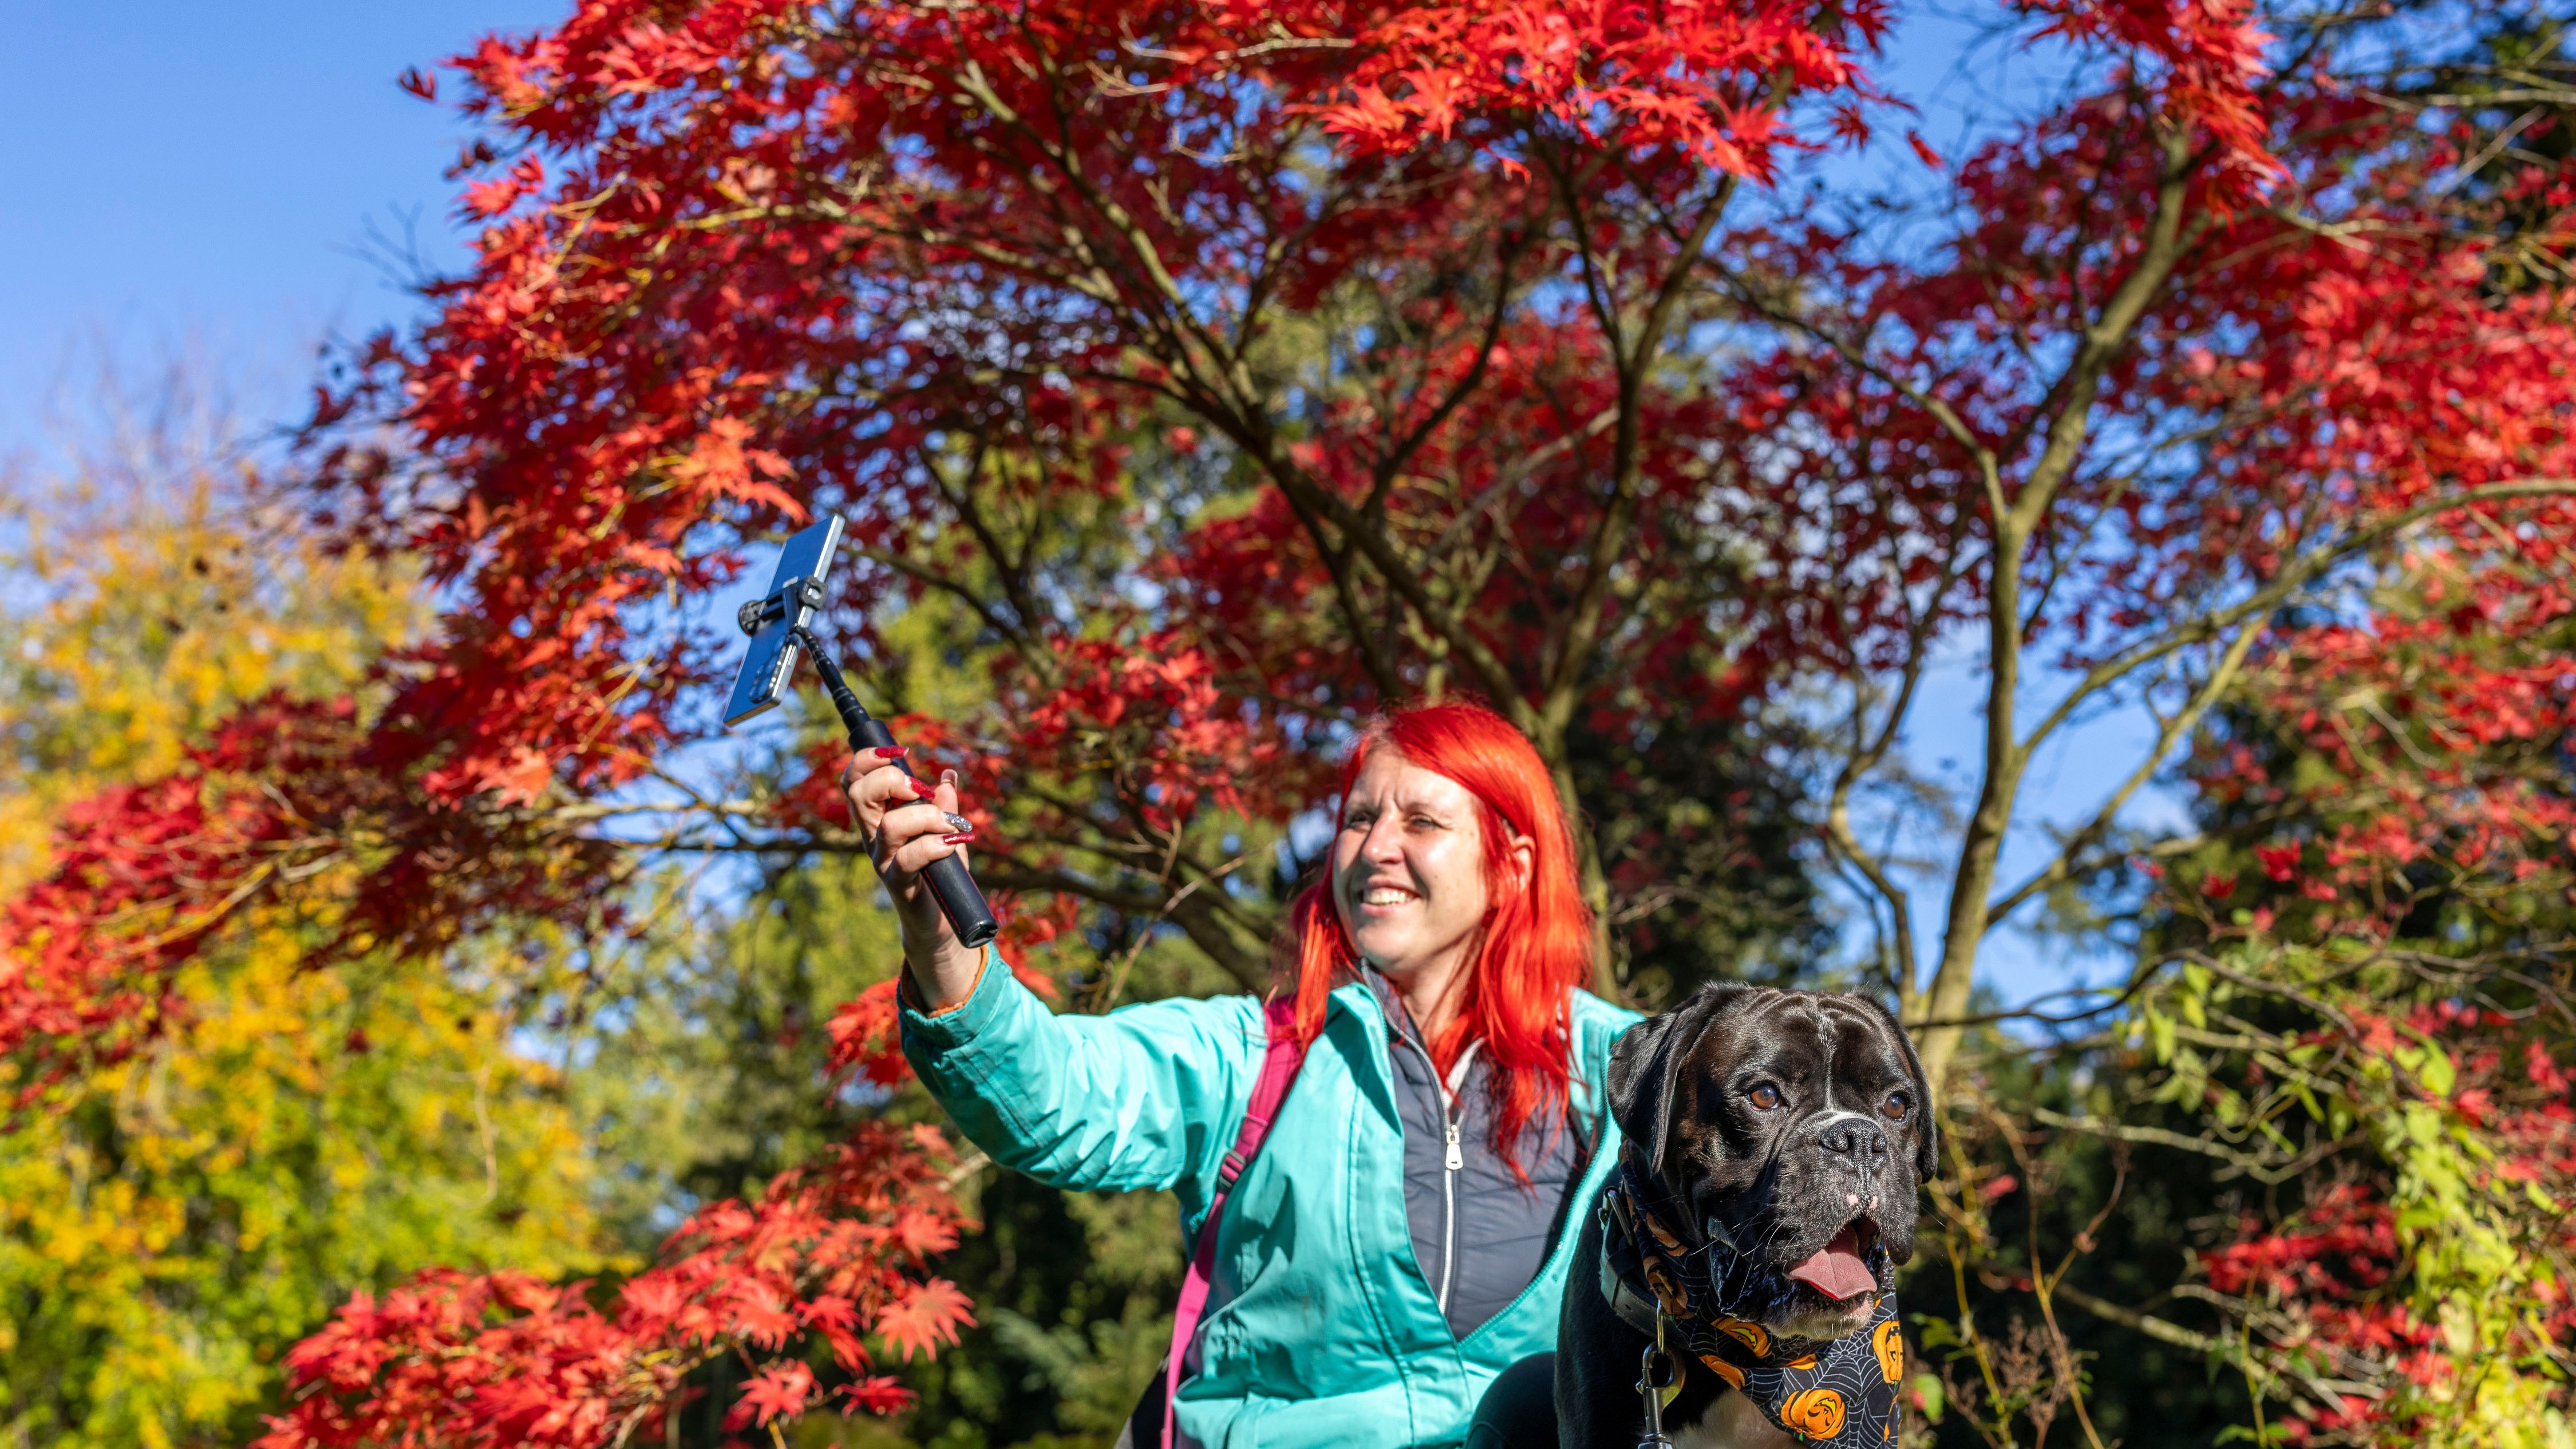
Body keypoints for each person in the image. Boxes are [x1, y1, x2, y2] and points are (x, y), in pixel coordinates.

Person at [844, 701, 1639, 1448]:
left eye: (1422, 821)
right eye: (1360, 818)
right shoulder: (1256, 1057)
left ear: (1513, 866)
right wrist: (942, 946)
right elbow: (1053, 1096)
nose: (1375, 847)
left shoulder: (1634, 1081)